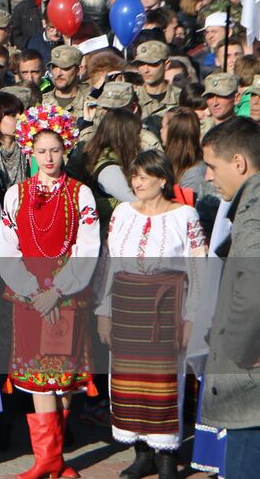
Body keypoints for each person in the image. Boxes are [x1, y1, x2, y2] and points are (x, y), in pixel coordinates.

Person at [0, 105, 100, 479]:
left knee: (63, 375)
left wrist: (57, 290)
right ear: (30, 151)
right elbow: (7, 248)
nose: (49, 157)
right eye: (41, 151)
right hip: (29, 296)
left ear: (65, 149)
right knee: (38, 375)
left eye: (55, 149)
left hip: (67, 294)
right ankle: (48, 460)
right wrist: (30, 291)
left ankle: (54, 459)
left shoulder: (80, 194)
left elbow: (87, 247)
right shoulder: (16, 194)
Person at [95, 149, 207, 479]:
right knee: (129, 382)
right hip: (127, 305)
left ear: (162, 180)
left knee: (166, 381)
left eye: (145, 176)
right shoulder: (122, 214)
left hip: (167, 306)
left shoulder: (184, 216)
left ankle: (167, 456)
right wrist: (104, 310)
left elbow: (198, 269)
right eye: (135, 176)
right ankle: (141, 453)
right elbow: (108, 263)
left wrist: (191, 317)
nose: (137, 182)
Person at [199, 118, 260, 479]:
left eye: (211, 166)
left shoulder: (253, 216)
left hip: (251, 390)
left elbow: (252, 293)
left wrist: (236, 352)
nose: (208, 177)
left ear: (239, 163)